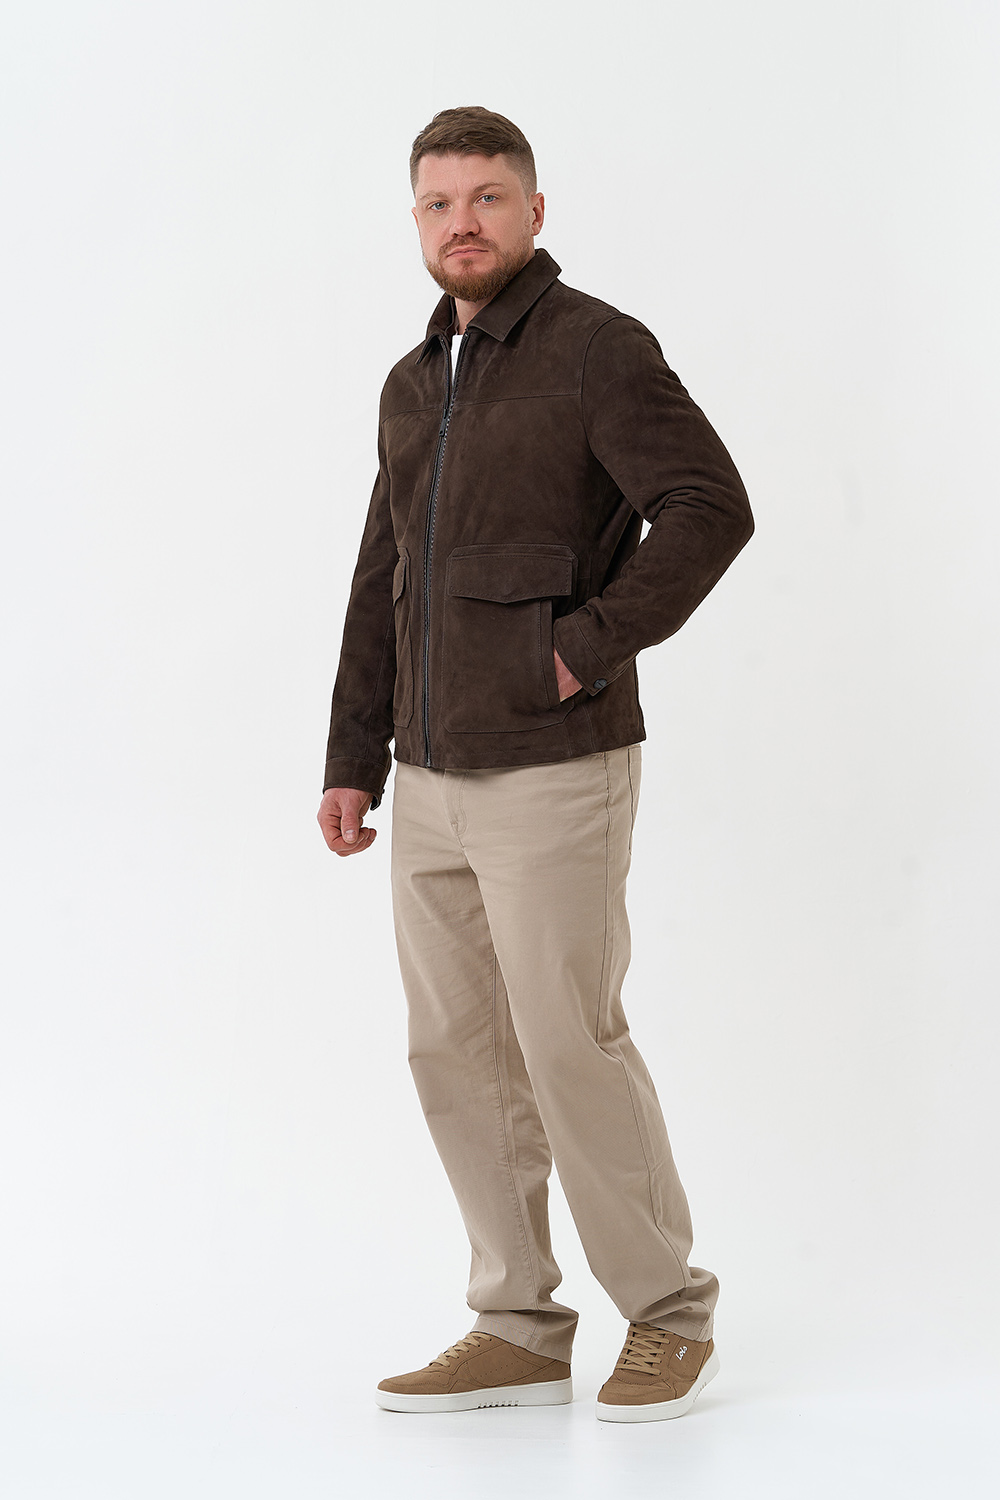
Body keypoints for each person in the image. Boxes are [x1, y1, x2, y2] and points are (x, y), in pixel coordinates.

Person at [317, 105, 754, 1423]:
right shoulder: (412, 381)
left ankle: (668, 1312)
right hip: (432, 774)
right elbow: (383, 572)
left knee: (570, 1044)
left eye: (488, 198)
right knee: (455, 1053)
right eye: (439, 203)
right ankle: (516, 1320)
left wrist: (582, 649)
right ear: (416, 221)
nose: (463, 223)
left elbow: (709, 506)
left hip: (557, 766)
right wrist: (353, 756)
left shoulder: (596, 349)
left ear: (534, 211)